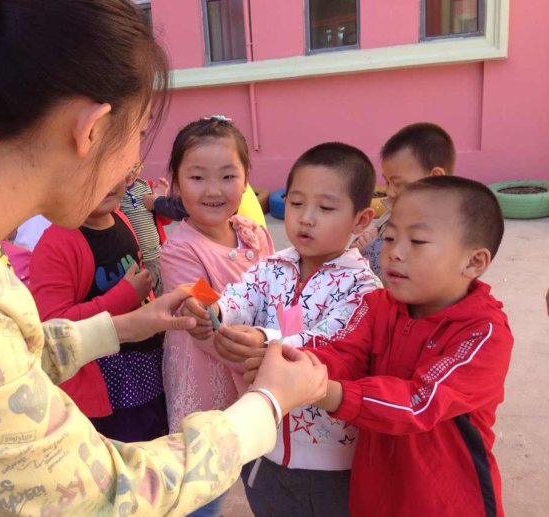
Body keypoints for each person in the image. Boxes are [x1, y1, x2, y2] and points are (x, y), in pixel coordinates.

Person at [0, 1, 329, 515]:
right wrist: (268, 403)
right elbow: (106, 495)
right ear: (90, 129)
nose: (133, 164)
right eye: (139, 132)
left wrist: (126, 324)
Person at [247, 176, 513, 516]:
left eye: (417, 241)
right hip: (375, 490)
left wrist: (321, 390)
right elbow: (344, 353)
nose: (394, 253)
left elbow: (421, 402)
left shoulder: (483, 333)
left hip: (447, 500)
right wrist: (292, 361)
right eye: (389, 237)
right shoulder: (378, 306)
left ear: (474, 262)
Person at [185, 143, 381, 516]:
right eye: (295, 203)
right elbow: (240, 296)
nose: (306, 218)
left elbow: (328, 340)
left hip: (329, 460)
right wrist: (214, 309)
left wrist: (265, 339)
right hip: (265, 445)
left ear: (360, 220)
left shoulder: (365, 289)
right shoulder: (272, 265)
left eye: (325, 208)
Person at [159, 116, 275, 516]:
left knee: (253, 459)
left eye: (228, 176)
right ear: (175, 182)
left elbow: (275, 293)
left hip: (253, 363)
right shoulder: (180, 251)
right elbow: (204, 326)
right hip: (208, 374)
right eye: (197, 178)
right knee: (205, 477)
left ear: (246, 180)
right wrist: (263, 361)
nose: (213, 190)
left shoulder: (254, 234)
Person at [31, 179, 167, 441]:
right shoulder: (55, 245)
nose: (105, 182)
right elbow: (54, 329)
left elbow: (138, 283)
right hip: (106, 383)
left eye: (112, 169)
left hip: (147, 365)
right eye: (90, 174)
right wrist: (124, 297)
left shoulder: (120, 218)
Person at [352, 122, 455, 277]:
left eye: (399, 184)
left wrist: (370, 249)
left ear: (435, 178)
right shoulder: (396, 209)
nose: (390, 192)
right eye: (387, 182)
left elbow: (406, 275)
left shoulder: (442, 227)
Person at [120, 164, 180, 297]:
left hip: (157, 253)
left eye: (135, 168)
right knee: (146, 295)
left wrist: (160, 199)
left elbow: (165, 220)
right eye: (126, 169)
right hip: (138, 258)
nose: (130, 174)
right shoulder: (115, 192)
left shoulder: (146, 186)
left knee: (164, 289)